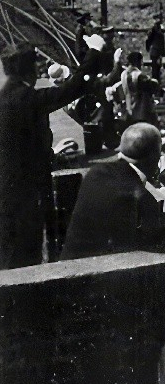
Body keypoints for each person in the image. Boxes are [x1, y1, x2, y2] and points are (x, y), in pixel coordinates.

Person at [0, 35, 105, 269]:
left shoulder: (7, 95)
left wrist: (50, 154)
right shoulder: (24, 98)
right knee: (23, 257)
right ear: (33, 69)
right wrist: (95, 53)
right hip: (23, 195)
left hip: (9, 189)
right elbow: (73, 88)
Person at [60, 123, 165, 260]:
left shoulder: (95, 172)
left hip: (71, 263)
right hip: (91, 277)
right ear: (154, 158)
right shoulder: (137, 195)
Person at [108, 51, 160, 128]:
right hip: (141, 111)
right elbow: (153, 86)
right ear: (138, 62)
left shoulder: (124, 74)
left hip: (128, 110)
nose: (142, 64)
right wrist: (154, 81)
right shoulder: (139, 75)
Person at [145, 13, 165, 82]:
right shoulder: (159, 35)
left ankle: (155, 79)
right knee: (156, 67)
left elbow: (148, 41)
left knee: (155, 67)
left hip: (154, 52)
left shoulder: (152, 33)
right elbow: (162, 45)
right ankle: (156, 79)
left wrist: (148, 48)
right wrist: (163, 53)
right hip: (156, 52)